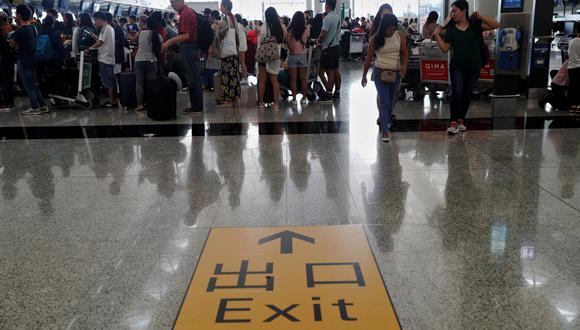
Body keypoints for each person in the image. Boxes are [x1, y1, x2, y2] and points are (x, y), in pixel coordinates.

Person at [433, 0, 499, 134]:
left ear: (464, 11)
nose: (452, 14)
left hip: (474, 66)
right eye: (451, 12)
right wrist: (436, 35)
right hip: (457, 66)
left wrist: (480, 16)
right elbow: (445, 49)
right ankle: (453, 121)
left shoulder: (475, 25)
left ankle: (461, 119)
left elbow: (496, 25)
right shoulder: (451, 30)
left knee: (467, 95)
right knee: (457, 92)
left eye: (455, 11)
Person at [362, 14, 408, 142]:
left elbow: (404, 53)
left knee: (392, 99)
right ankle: (385, 131)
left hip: (396, 73)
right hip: (380, 73)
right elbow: (368, 59)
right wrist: (364, 76)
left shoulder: (399, 36)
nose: (391, 32)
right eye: (388, 29)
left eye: (393, 29)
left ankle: (385, 120)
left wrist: (404, 66)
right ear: (383, 27)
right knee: (385, 100)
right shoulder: (375, 39)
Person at [164, 0, 204, 114]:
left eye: (173, 2)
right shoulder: (187, 12)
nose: (172, 5)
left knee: (193, 77)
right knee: (193, 76)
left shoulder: (186, 13)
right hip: (191, 48)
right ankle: (197, 105)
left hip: (189, 48)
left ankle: (196, 107)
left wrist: (170, 42)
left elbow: (186, 35)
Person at [10, 5, 49, 115]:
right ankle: (43, 106)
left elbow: (12, 44)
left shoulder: (19, 31)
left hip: (23, 59)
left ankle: (34, 107)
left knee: (28, 85)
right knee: (34, 84)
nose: (15, 16)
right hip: (33, 58)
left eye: (16, 14)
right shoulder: (33, 28)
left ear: (19, 15)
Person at [86, 12, 118, 108]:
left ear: (100, 19)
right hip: (109, 58)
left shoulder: (105, 28)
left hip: (105, 58)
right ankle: (113, 100)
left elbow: (100, 42)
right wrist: (95, 37)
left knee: (108, 82)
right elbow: (102, 41)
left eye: (95, 20)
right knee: (111, 81)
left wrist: (89, 48)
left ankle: (112, 102)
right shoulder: (109, 28)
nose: (95, 23)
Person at [257, 7, 285, 110]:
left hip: (264, 56)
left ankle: (261, 103)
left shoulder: (265, 26)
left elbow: (260, 40)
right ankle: (276, 103)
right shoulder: (280, 26)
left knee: (262, 80)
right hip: (275, 56)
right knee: (275, 80)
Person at [133, 16, 162, 111]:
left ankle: (139, 104)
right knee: (151, 84)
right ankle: (152, 103)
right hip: (152, 60)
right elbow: (160, 50)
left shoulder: (141, 33)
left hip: (139, 60)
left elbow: (137, 42)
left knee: (139, 83)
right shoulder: (158, 35)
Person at [215, 0, 240, 108]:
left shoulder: (226, 19)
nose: (220, 8)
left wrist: (217, 28)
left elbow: (221, 34)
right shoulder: (233, 17)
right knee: (233, 75)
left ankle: (228, 101)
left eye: (221, 6)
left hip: (227, 53)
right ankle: (234, 99)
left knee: (227, 75)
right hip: (234, 50)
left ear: (225, 7)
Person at [317, 0, 342, 103]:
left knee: (328, 71)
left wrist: (318, 42)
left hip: (328, 48)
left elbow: (323, 34)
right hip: (336, 46)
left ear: (326, 5)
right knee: (335, 70)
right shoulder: (337, 17)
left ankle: (328, 94)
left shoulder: (327, 18)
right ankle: (337, 92)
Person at [286, 11, 310, 106]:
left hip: (292, 56)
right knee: (303, 78)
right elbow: (306, 39)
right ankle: (304, 98)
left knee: (293, 79)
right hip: (302, 56)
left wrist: (292, 51)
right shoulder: (306, 29)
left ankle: (294, 99)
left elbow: (288, 42)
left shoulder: (290, 30)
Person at [0, 11, 15, 111]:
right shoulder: (13, 28)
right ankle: (9, 101)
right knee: (8, 80)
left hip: (4, 58)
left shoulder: (8, 29)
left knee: (5, 80)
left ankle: (6, 102)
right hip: (10, 58)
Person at [568, 29, 580, 113]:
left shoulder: (571, 41)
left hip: (571, 67)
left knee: (572, 86)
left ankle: (572, 106)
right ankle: (579, 106)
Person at [235, 13, 248, 82]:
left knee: (242, 63)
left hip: (239, 47)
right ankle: (244, 78)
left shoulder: (237, 26)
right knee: (242, 63)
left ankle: (245, 78)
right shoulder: (241, 26)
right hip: (242, 47)